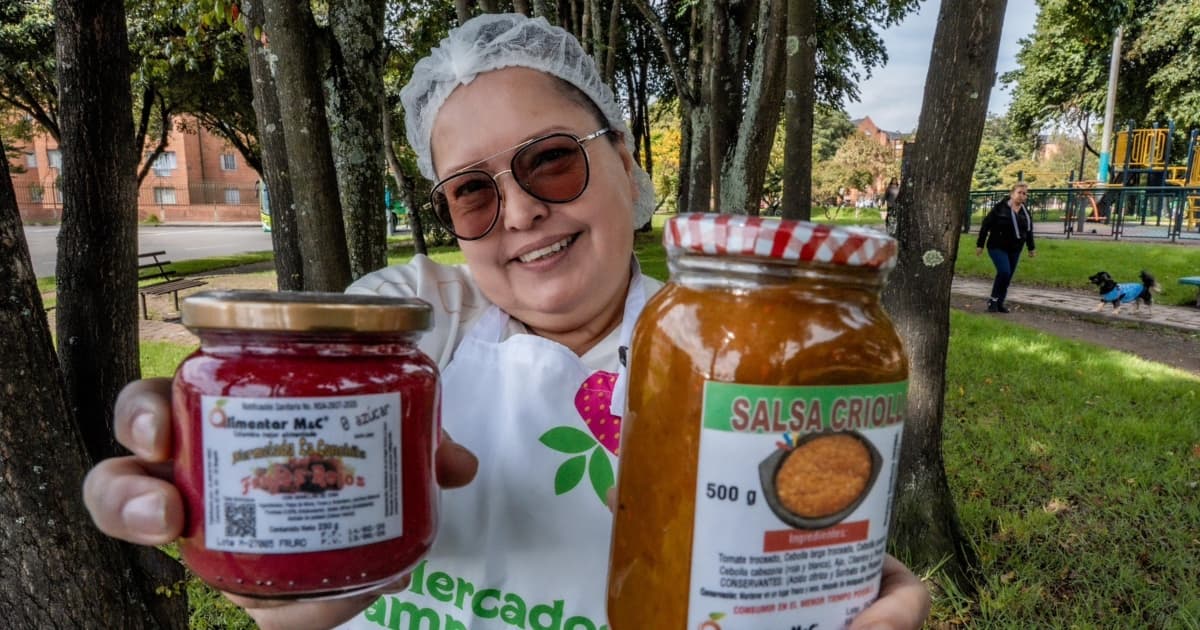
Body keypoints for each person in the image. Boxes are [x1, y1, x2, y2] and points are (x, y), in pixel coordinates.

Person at [82, 13, 930, 630]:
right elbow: (301, 387)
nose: (520, 211)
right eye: (472, 192)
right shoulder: (412, 325)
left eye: (551, 161)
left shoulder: (720, 347)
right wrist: (259, 537)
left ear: (624, 161)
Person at [976, 181, 1036, 313]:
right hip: (997, 246)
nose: (1022, 196)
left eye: (1024, 193)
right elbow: (985, 226)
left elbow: (1029, 231)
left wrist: (1031, 247)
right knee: (1004, 272)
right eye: (1019, 192)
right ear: (1012, 194)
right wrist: (980, 245)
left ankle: (999, 302)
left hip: (1015, 248)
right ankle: (993, 300)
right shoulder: (1000, 208)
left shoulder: (1025, 212)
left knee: (1007, 277)